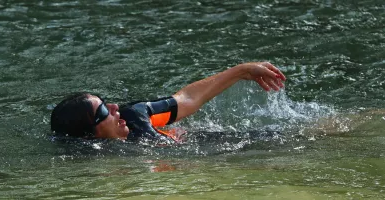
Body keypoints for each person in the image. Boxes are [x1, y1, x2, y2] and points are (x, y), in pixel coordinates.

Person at [50, 62, 286, 142]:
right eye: (103, 111)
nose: (114, 107)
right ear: (88, 136)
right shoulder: (88, 159)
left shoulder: (136, 115)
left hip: (222, 143)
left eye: (105, 102)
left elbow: (188, 98)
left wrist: (242, 71)